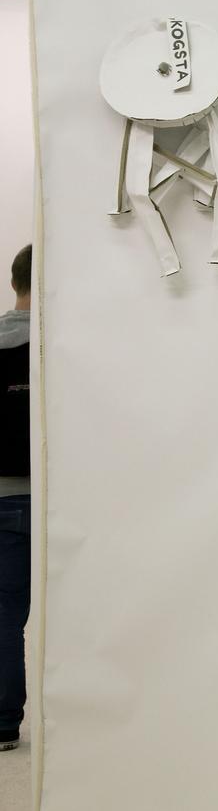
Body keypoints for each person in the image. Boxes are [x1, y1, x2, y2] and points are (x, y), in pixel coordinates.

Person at [0, 246, 31, 751]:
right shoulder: (59, 346)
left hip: (1, 497)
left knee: (5, 615)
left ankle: (4, 724)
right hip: (47, 498)